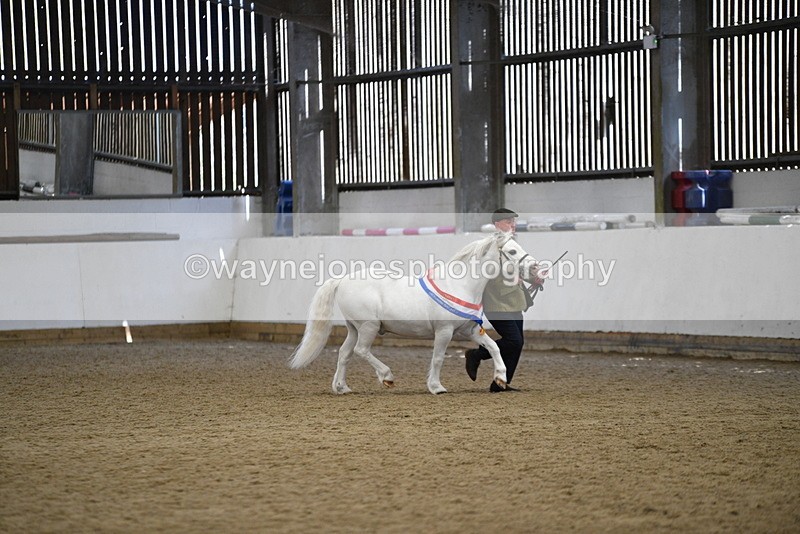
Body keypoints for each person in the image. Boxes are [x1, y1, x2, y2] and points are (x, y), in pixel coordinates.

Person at [465, 208, 540, 392]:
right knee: (513, 341)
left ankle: (501, 383)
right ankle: (476, 354)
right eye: (508, 221)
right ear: (497, 224)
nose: (512, 225)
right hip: (496, 301)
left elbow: (517, 268)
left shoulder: (511, 244)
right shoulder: (489, 246)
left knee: (518, 342)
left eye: (513, 222)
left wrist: (532, 277)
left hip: (514, 300)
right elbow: (488, 272)